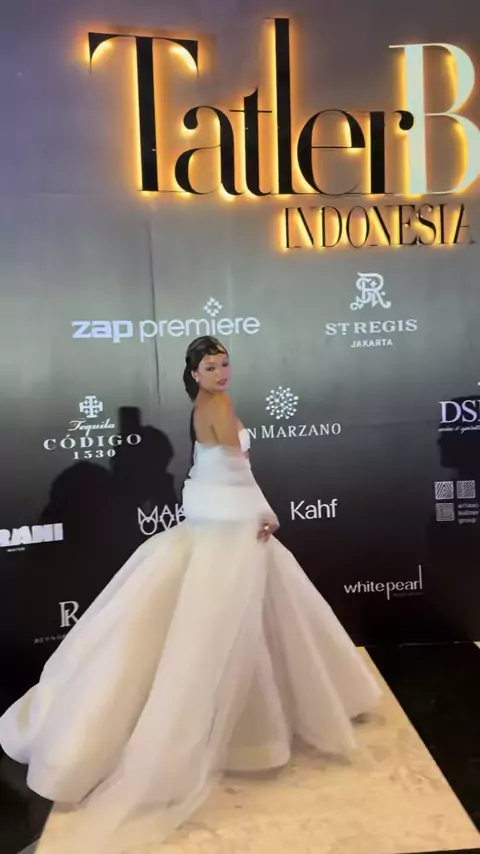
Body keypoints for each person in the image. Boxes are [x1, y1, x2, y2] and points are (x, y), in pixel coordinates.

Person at [0, 336, 381, 854]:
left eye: (225, 363)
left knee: (231, 623)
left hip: (214, 517)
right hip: (231, 523)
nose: (222, 372)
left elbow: (209, 468)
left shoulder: (204, 405)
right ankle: (252, 736)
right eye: (211, 366)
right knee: (231, 629)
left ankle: (254, 728)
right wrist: (266, 513)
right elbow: (237, 470)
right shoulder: (217, 406)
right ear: (195, 373)